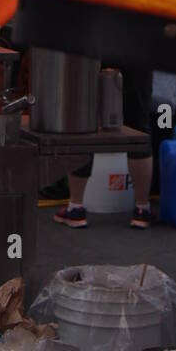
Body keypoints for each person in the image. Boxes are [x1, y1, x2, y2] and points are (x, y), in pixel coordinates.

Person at [55, 67, 154, 229]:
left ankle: (75, 207)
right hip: (137, 50)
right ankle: (142, 209)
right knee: (139, 125)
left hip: (93, 50)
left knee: (83, 124)